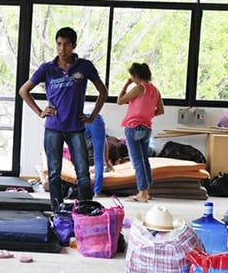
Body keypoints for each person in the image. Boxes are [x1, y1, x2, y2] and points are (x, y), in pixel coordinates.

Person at [19, 27, 108, 208]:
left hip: (76, 128)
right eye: (59, 44)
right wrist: (39, 111)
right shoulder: (47, 68)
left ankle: (85, 209)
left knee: (82, 172)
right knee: (53, 172)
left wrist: (92, 117)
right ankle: (57, 209)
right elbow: (23, 90)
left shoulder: (85, 67)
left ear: (74, 45)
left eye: (66, 44)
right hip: (53, 127)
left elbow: (103, 91)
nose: (62, 48)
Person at [117, 63, 164, 203]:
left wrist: (126, 85)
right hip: (147, 128)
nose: (131, 78)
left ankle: (142, 193)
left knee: (137, 161)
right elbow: (161, 110)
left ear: (136, 76)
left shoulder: (139, 88)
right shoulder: (155, 90)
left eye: (132, 76)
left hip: (133, 127)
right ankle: (147, 191)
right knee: (144, 160)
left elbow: (120, 101)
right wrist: (147, 115)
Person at [83, 110, 114, 197]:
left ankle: (82, 190)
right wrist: (107, 161)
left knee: (80, 156)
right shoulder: (99, 116)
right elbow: (104, 142)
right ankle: (97, 191)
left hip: (81, 118)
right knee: (98, 158)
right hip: (96, 117)